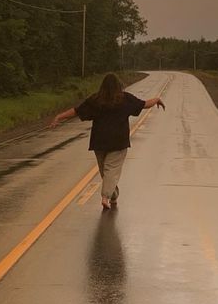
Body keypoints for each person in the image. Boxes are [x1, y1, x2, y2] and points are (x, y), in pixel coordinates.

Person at [50, 73, 165, 210]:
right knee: (110, 171)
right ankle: (110, 195)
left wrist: (59, 117)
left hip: (100, 142)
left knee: (106, 171)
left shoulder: (96, 100)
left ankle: (107, 196)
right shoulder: (125, 99)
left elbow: (77, 111)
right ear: (118, 85)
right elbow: (144, 104)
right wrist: (157, 99)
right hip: (118, 141)